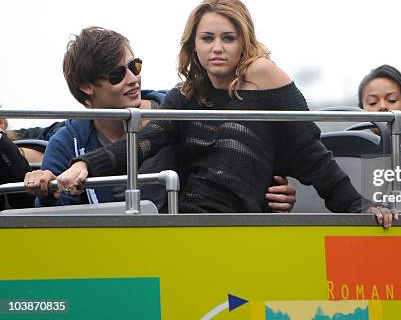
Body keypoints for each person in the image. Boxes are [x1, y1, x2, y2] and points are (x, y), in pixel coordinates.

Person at [52, 0, 395, 225]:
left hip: (244, 230)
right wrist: (84, 164)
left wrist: (358, 206)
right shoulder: (184, 95)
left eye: (228, 38)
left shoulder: (265, 77)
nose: (217, 48)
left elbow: (311, 153)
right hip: (185, 225)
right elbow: (146, 141)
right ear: (193, 45)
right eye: (207, 38)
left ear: (244, 41)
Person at [25, 26, 296, 213]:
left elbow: (237, 159)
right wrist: (48, 189)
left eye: (135, 66)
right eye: (117, 75)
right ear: (87, 87)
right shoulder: (66, 143)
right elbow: (51, 222)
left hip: (187, 242)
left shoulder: (180, 107)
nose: (133, 79)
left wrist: (272, 194)